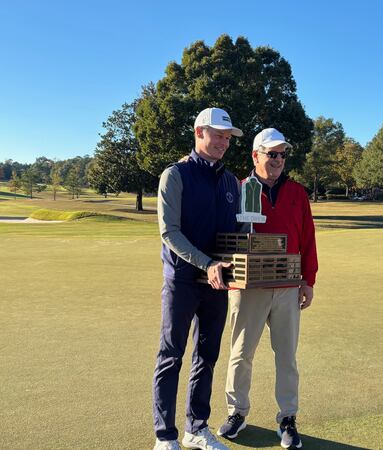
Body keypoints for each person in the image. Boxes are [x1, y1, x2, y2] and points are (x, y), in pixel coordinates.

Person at [218, 128, 318, 449]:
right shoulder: (239, 190)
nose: (278, 160)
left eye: (282, 154)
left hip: (288, 286)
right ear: (255, 155)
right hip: (249, 287)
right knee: (241, 353)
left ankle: (287, 417)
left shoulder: (297, 193)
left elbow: (307, 238)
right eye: (271, 154)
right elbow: (223, 235)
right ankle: (237, 412)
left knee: (286, 356)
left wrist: (308, 279)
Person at [153, 107, 242, 450]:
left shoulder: (231, 181)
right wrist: (206, 263)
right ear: (199, 133)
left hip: (217, 283)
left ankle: (197, 427)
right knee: (171, 355)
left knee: (207, 354)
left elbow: (234, 231)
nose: (223, 142)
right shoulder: (175, 175)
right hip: (183, 279)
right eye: (218, 135)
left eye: (227, 137)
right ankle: (165, 435)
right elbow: (169, 232)